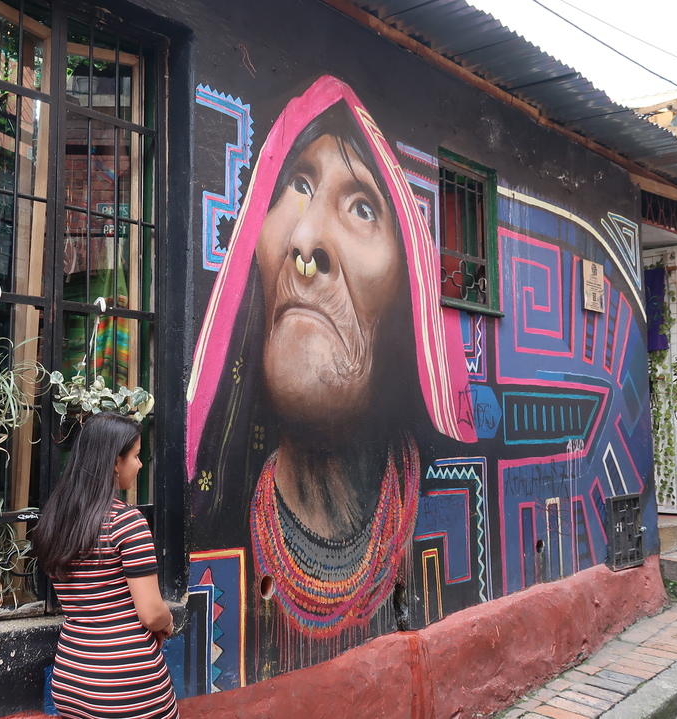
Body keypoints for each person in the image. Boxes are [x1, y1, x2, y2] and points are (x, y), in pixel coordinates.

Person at [186, 76, 475, 673]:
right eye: (298, 186)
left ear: (406, 297)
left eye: (362, 207)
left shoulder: (447, 505)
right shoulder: (204, 524)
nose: (305, 240)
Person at [36, 412, 179, 719]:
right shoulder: (126, 522)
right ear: (115, 463)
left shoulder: (57, 520)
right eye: (136, 456)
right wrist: (168, 621)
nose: (140, 465)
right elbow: (151, 613)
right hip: (125, 686)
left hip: (71, 679)